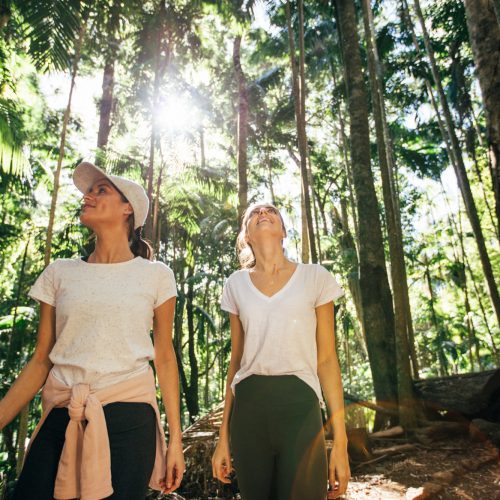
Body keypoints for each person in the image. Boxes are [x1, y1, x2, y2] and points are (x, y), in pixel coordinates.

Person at [0, 162, 184, 499]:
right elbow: (41, 361)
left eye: (101, 190)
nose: (88, 196)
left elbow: (166, 358)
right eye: (89, 190)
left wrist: (175, 442)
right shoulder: (59, 273)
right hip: (62, 411)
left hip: (130, 418)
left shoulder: (156, 275)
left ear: (128, 209)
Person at [212, 203, 350, 500]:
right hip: (248, 411)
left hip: (300, 407)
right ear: (246, 236)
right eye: (254, 214)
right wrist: (223, 438)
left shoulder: (315, 278)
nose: (262, 213)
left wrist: (340, 443)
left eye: (270, 211)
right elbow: (235, 362)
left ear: (284, 232)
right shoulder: (235, 284)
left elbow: (326, 360)